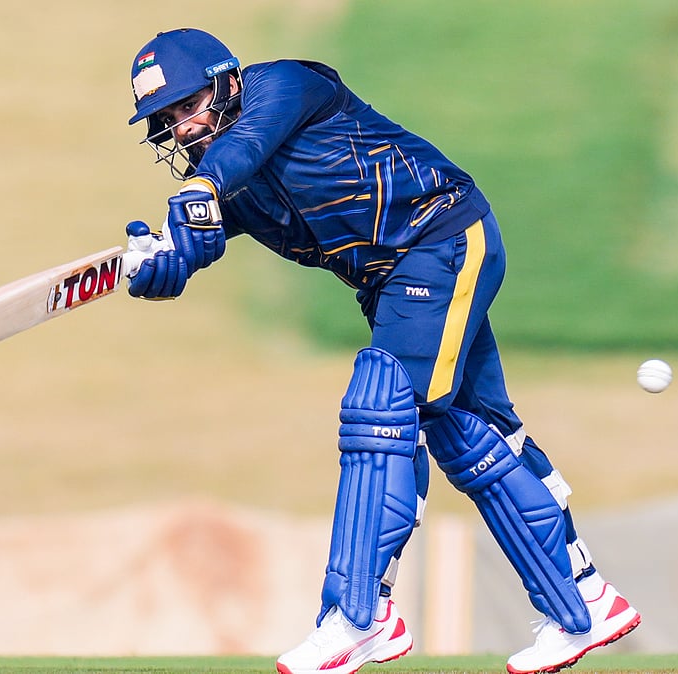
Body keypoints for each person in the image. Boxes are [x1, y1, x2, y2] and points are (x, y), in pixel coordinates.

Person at [120, 28, 641, 674]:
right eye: (166, 122)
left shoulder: (285, 87)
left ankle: (360, 615)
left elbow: (245, 150)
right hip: (391, 285)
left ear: (228, 82)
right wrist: (166, 262)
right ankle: (583, 602)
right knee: (469, 431)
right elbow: (206, 232)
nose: (183, 128)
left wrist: (198, 196)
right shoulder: (225, 181)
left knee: (381, 405)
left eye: (188, 105)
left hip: (443, 237)